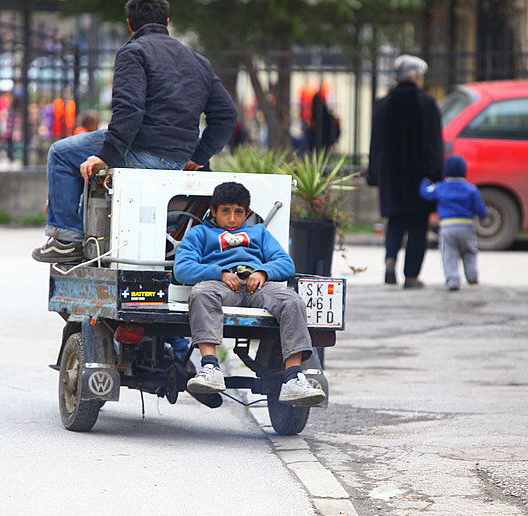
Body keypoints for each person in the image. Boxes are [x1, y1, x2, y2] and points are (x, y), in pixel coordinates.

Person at [31, 0, 236, 264]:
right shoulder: (197, 60)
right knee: (76, 155)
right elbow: (226, 114)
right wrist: (199, 155)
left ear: (129, 24)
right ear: (167, 21)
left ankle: (66, 241)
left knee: (61, 153)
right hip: (177, 158)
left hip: (143, 150)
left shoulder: (134, 52)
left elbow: (129, 110)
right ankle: (69, 229)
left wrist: (105, 155)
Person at [174, 182, 326, 406]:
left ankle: (294, 377)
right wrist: (219, 273)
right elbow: (182, 268)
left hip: (258, 287)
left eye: (238, 212)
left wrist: (264, 272)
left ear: (247, 213)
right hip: (221, 286)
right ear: (213, 211)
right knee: (200, 293)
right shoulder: (199, 233)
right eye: (225, 211)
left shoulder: (259, 233)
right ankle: (210, 367)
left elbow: (286, 263)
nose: (232, 219)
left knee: (292, 300)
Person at [367, 55, 443, 289]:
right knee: (418, 226)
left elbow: (375, 143)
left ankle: (390, 261)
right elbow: (435, 142)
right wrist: (436, 174)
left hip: (391, 176)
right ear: (416, 76)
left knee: (395, 221)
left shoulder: (384, 103)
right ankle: (411, 276)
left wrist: (374, 174)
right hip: (419, 176)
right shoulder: (427, 103)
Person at [420, 155, 488, 291]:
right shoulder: (471, 189)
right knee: (469, 252)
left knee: (449, 254)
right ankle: (472, 275)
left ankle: (453, 280)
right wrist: (483, 216)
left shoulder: (441, 187)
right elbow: (481, 209)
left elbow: (426, 193)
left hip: (447, 226)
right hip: (467, 226)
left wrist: (424, 181)